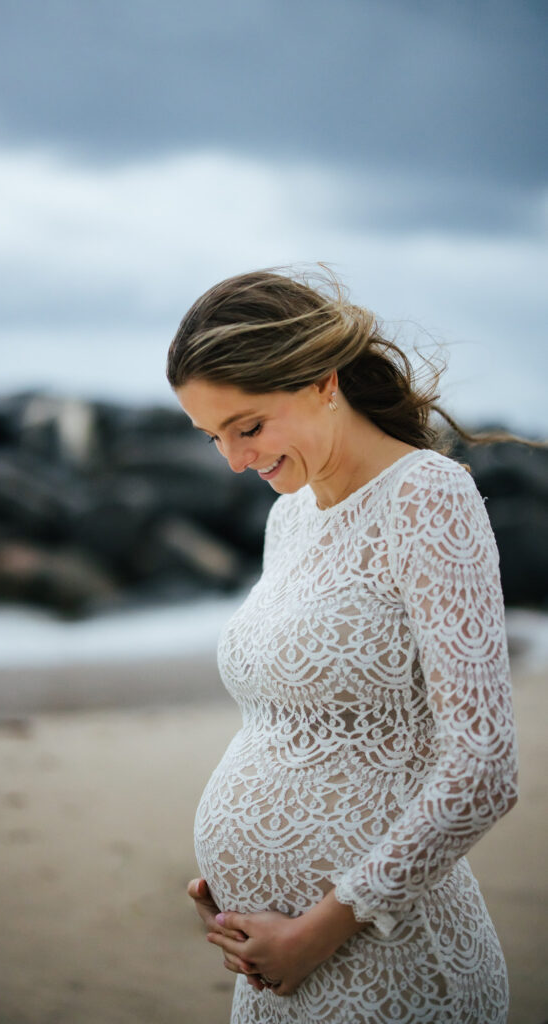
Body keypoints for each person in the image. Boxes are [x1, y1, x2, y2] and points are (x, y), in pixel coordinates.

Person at [165, 267, 526, 1023]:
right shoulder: (290, 516)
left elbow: (483, 768)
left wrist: (317, 929)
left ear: (323, 383)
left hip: (388, 958)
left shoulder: (427, 495)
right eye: (212, 437)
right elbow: (292, 724)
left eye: (248, 426)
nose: (233, 461)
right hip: (273, 960)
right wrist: (239, 891)